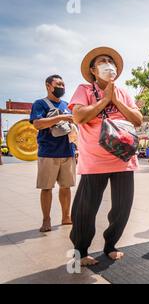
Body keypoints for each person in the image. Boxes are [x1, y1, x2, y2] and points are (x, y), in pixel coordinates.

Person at [69, 47, 143, 266]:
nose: (108, 64)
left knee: (122, 207)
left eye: (111, 61)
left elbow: (137, 119)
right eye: (102, 61)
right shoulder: (84, 90)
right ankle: (80, 251)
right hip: (94, 160)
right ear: (93, 69)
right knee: (85, 208)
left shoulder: (124, 92)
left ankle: (111, 244)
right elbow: (79, 116)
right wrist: (103, 101)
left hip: (123, 158)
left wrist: (116, 100)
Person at [30, 75, 76, 232]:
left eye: (63, 84)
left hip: (67, 151)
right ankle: (46, 220)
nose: (61, 87)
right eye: (58, 84)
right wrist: (62, 117)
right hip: (48, 153)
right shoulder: (40, 104)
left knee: (66, 187)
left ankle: (66, 217)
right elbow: (37, 124)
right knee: (46, 188)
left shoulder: (67, 104)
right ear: (48, 86)